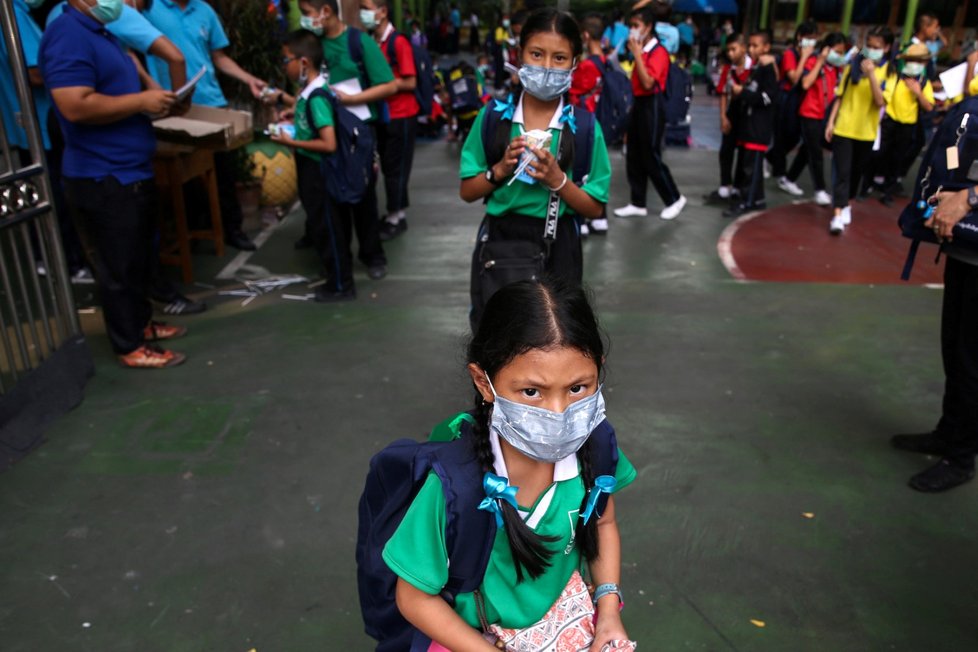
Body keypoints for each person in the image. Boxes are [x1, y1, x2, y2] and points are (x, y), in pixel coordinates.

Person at [383, 276, 637, 649]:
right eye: (532, 391)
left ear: (598, 369)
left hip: (569, 617)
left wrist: (609, 611)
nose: (559, 412)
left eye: (577, 388)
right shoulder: (455, 486)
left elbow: (604, 523)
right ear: (484, 383)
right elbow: (415, 596)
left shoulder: (595, 449)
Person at [41, 0, 186, 369]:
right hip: (102, 175)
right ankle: (130, 345)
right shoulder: (67, 35)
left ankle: (142, 325)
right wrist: (141, 101)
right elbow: (74, 105)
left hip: (129, 169)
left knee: (136, 260)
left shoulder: (104, 33)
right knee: (118, 267)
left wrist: (153, 97)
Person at [459, 8, 611, 329]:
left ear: (574, 62)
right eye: (537, 54)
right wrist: (498, 171)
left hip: (559, 244)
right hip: (501, 239)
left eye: (559, 58)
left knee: (556, 333)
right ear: (519, 55)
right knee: (497, 330)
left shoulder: (583, 128)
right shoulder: (494, 119)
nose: (545, 67)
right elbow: (468, 191)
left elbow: (596, 208)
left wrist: (559, 181)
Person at [143, 0, 270, 252]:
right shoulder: (149, 8)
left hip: (211, 101)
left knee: (224, 172)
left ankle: (232, 230)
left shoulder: (204, 10)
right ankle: (193, 233)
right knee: (184, 176)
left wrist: (249, 79)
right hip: (172, 105)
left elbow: (219, 57)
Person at [297, 0, 397, 281]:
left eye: (307, 14)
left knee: (362, 196)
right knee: (332, 197)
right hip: (327, 132)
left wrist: (353, 99)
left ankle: (372, 255)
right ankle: (339, 257)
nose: (305, 19)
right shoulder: (312, 44)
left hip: (357, 134)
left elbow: (389, 85)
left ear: (325, 12)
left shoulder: (357, 42)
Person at [892, 169, 978, 492]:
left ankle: (961, 458)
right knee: (954, 349)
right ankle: (949, 433)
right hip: (967, 247)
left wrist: (968, 198)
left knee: (971, 363)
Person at [266, 31, 343, 304]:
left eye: (286, 59)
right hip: (310, 169)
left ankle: (340, 285)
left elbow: (329, 143)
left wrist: (293, 141)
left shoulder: (317, 96)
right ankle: (332, 275)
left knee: (328, 227)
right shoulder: (308, 93)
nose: (284, 65)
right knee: (319, 223)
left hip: (319, 172)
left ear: (304, 62)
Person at [614, 4, 686, 221]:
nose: (632, 30)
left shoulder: (659, 52)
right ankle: (638, 202)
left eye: (636, 26)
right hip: (639, 104)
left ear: (648, 27)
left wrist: (637, 55)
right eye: (631, 26)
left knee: (651, 154)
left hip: (653, 105)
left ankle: (674, 198)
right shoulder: (642, 50)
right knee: (634, 153)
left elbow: (648, 83)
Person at [360, 0, 419, 241]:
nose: (363, 13)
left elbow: (410, 81)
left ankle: (397, 217)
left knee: (397, 168)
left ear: (382, 12)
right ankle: (393, 212)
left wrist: (386, 85)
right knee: (387, 166)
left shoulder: (398, 42)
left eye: (366, 7)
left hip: (402, 115)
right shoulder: (374, 41)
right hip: (383, 115)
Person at [823, 27, 887, 234]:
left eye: (877, 47)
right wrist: (831, 122)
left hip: (866, 132)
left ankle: (847, 203)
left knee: (855, 173)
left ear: (886, 48)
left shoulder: (889, 72)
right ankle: (837, 215)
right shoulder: (852, 67)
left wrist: (872, 75)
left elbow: (880, 101)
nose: (872, 50)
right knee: (841, 173)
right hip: (844, 128)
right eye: (869, 46)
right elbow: (840, 96)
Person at [780, 32, 847, 207]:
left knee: (807, 149)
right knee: (816, 153)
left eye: (841, 53)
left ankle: (789, 178)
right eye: (836, 51)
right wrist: (820, 61)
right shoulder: (814, 62)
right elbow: (805, 83)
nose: (838, 56)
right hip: (809, 112)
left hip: (824, 114)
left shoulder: (837, 69)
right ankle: (820, 189)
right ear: (826, 49)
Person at [723, 31, 778, 218]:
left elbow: (767, 97)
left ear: (766, 48)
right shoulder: (758, 69)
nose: (752, 50)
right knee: (746, 163)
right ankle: (757, 198)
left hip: (758, 127)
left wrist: (743, 92)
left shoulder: (768, 70)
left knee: (752, 166)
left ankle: (748, 201)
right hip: (749, 125)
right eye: (751, 45)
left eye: (756, 46)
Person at [878, 43, 934, 206]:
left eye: (919, 61)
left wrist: (918, 93)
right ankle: (868, 185)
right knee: (880, 154)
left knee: (897, 158)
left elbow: (929, 106)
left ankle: (888, 191)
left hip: (908, 125)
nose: (914, 64)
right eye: (912, 60)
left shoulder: (924, 83)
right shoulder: (895, 77)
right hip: (889, 122)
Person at [570, 13, 609, 237]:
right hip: (599, 120)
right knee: (598, 170)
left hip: (583, 122)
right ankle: (600, 218)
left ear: (585, 35)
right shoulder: (604, 60)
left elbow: (572, 89)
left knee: (581, 169)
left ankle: (582, 219)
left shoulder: (586, 66)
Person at [770, 21, 817, 191]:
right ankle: (781, 175)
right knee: (782, 136)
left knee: (794, 137)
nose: (811, 42)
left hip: (800, 99)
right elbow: (794, 78)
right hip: (785, 99)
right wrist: (804, 57)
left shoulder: (814, 57)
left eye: (813, 39)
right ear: (799, 37)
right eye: (808, 38)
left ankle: (769, 157)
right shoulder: (790, 54)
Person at [705, 32, 751, 205]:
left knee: (744, 151)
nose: (731, 53)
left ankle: (739, 186)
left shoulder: (753, 68)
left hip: (748, 114)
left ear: (744, 48)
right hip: (732, 111)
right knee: (726, 149)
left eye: (734, 49)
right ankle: (725, 185)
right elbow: (723, 93)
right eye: (729, 50)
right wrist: (723, 117)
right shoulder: (728, 69)